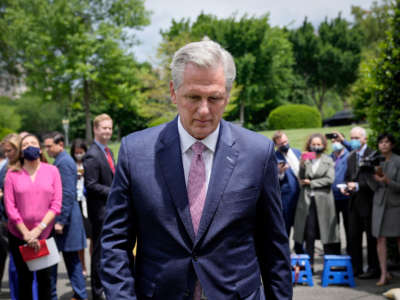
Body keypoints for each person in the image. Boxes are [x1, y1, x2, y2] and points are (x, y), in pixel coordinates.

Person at [100, 39, 292, 300]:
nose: (204, 110)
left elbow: (273, 246)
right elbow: (115, 244)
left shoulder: (257, 153)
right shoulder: (136, 152)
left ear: (228, 94)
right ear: (173, 91)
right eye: (193, 97)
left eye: (214, 98)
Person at [4, 134, 62, 299]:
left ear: (40, 147)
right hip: (19, 236)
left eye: (33, 143)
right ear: (20, 151)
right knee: (24, 280)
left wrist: (38, 230)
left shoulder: (52, 171)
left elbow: (56, 204)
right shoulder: (12, 174)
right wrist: (26, 234)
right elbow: (10, 207)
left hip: (44, 235)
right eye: (25, 144)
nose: (30, 146)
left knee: (45, 280)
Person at [43, 132, 88, 300]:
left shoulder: (64, 163)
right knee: (68, 261)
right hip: (65, 221)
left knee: (70, 262)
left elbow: (67, 194)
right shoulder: (62, 161)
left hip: (66, 222)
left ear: (60, 144)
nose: (47, 150)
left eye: (49, 146)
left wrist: (60, 221)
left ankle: (79, 295)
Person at [293, 133, 339, 266]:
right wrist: (301, 164)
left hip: (324, 201)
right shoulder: (307, 159)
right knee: (309, 233)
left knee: (327, 233)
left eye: (318, 144)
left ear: (323, 145)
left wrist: (311, 183)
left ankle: (330, 265)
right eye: (313, 144)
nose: (316, 146)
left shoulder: (328, 160)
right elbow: (300, 178)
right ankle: (310, 265)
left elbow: (330, 179)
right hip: (307, 201)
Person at [341, 126, 379, 278]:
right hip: (353, 203)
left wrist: (357, 185)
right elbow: (348, 177)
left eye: (357, 138)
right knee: (353, 237)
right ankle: (356, 268)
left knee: (371, 238)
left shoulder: (373, 155)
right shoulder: (351, 157)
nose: (354, 141)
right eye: (352, 138)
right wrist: (346, 187)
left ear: (364, 139)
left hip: (369, 203)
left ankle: (373, 269)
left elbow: (374, 182)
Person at [83, 113, 114, 300]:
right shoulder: (92, 154)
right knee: (99, 253)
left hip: (109, 211)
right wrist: (116, 192)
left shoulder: (107, 151)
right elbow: (91, 185)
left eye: (110, 128)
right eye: (104, 128)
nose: (108, 131)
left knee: (106, 251)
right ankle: (97, 291)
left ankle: (105, 288)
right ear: (95, 129)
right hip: (100, 212)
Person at [368, 133, 400, 286]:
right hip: (379, 204)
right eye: (381, 142)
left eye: (387, 142)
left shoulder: (398, 161)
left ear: (392, 145)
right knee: (380, 239)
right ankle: (383, 274)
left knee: (399, 238)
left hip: (395, 204)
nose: (384, 145)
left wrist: (387, 180)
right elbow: (375, 187)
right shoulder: (376, 160)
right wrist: (370, 177)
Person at [70, 138, 91, 277]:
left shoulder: (89, 163)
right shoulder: (70, 164)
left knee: (92, 237)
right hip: (76, 202)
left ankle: (93, 264)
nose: (79, 155)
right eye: (76, 152)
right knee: (80, 237)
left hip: (88, 202)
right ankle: (82, 265)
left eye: (81, 152)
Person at [330, 135, 351, 254]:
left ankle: (350, 250)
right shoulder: (330, 156)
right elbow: (308, 155)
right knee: (334, 227)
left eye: (337, 141)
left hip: (346, 196)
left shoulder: (348, 155)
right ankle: (336, 253)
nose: (335, 143)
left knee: (349, 226)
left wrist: (343, 139)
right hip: (333, 197)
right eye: (333, 141)